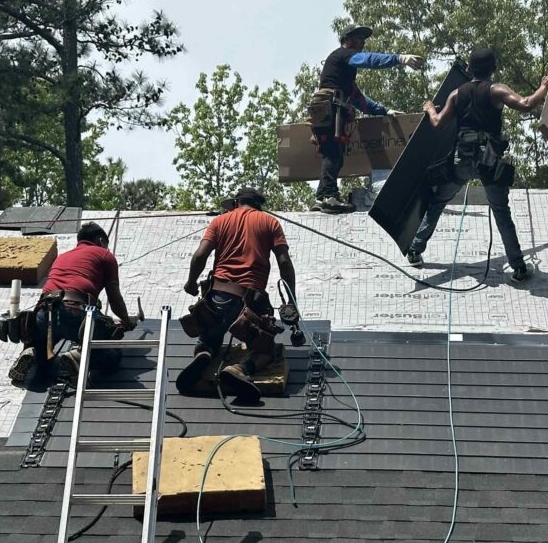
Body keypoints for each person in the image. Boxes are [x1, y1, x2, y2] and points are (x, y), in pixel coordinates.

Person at [409, 47, 548, 282]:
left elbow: (437, 123)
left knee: (439, 201)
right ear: (493, 70)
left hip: (462, 160)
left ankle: (415, 249)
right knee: (501, 212)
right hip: (489, 162)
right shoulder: (497, 91)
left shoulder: (456, 94)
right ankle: (518, 267)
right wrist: (544, 86)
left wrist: (429, 109)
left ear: (468, 69)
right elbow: (526, 104)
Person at [177, 186, 296, 403]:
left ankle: (203, 354)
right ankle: (240, 369)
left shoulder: (219, 221)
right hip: (249, 304)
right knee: (265, 351)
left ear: (237, 202)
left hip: (216, 298)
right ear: (259, 204)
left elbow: (200, 254)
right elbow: (284, 262)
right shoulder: (269, 222)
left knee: (209, 338)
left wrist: (191, 282)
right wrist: (291, 300)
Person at [310, 24, 424, 214]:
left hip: (331, 108)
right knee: (333, 152)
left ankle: (324, 196)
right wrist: (399, 58)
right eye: (359, 37)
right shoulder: (342, 54)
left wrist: (384, 111)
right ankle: (327, 197)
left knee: (334, 153)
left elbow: (358, 98)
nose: (362, 42)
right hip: (330, 108)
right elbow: (369, 60)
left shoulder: (343, 71)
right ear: (347, 40)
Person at [8, 222, 138, 384]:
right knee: (112, 357)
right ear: (101, 240)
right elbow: (114, 298)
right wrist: (125, 321)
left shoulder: (62, 257)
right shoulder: (104, 255)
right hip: (76, 312)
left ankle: (32, 352)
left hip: (43, 312)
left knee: (45, 359)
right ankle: (78, 355)